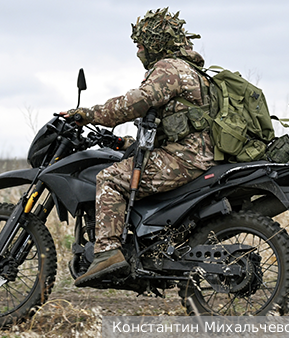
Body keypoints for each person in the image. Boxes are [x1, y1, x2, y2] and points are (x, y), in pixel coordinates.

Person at [62, 7, 217, 287]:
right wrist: (124, 142)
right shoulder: (191, 70)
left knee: (109, 178)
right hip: (191, 155)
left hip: (183, 159)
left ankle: (107, 252)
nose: (138, 52)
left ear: (157, 43)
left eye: (141, 45)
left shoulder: (168, 68)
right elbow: (169, 128)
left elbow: (137, 102)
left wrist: (89, 114)